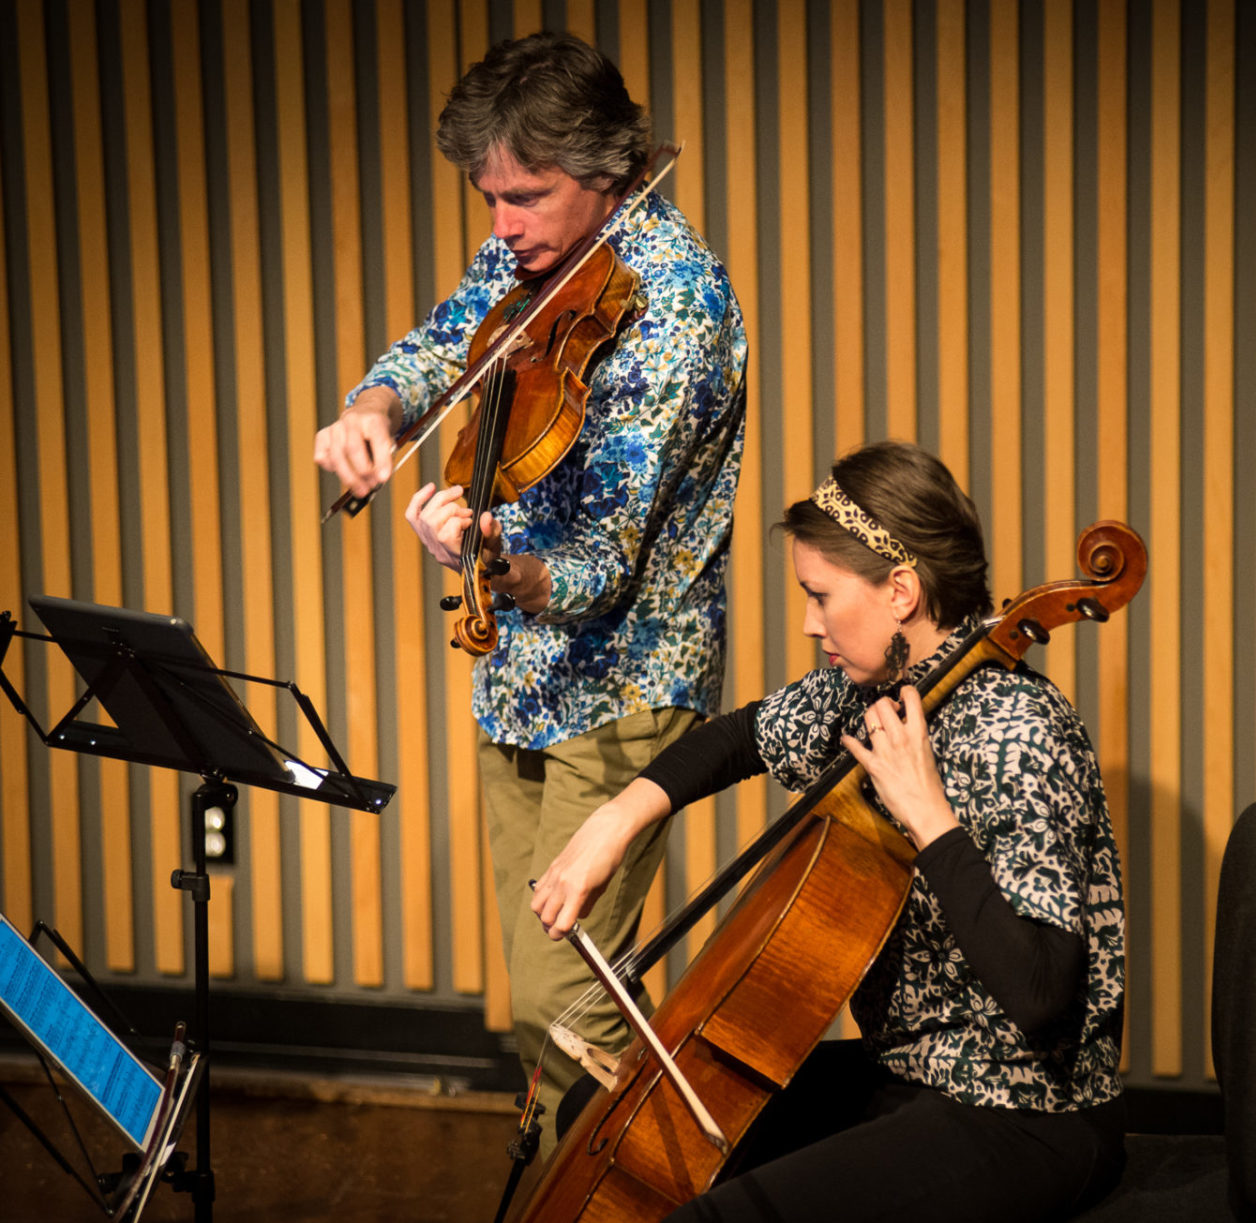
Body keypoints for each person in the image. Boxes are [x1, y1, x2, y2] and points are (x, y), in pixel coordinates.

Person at [312, 31, 748, 1137]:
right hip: (517, 671)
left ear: (608, 170)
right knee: (544, 1006)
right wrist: (372, 409)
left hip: (624, 687)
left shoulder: (675, 307)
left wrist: (491, 561)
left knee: (568, 1006)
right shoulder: (528, 257)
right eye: (488, 196)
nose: (501, 225)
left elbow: (603, 566)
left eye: (526, 196)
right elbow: (443, 344)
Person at [531, 442, 1126, 1222]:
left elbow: (1045, 997)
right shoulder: (880, 692)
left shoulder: (1020, 731)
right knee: (603, 1112)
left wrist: (932, 818)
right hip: (908, 1072)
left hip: (1027, 1109)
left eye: (821, 594)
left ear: (902, 591)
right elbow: (736, 737)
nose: (810, 624)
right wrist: (617, 818)